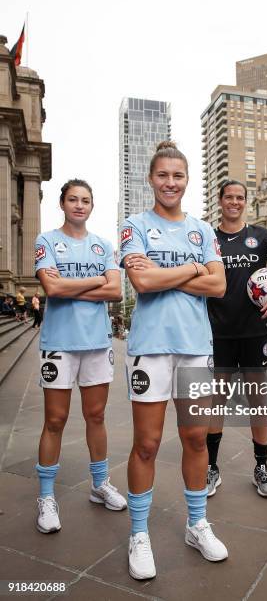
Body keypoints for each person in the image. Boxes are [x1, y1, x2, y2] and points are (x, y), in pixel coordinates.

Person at [121, 141, 228, 580]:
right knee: (146, 444)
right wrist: (194, 271)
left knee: (198, 442)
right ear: (151, 179)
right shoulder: (134, 225)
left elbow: (219, 286)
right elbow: (142, 282)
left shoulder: (203, 230)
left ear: (187, 180)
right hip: (150, 347)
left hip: (195, 347)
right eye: (163, 175)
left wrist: (176, 276)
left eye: (178, 176)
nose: (170, 182)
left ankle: (197, 523)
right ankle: (138, 533)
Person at [34, 178, 126, 535]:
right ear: (62, 203)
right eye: (73, 199)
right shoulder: (46, 241)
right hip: (58, 343)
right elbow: (51, 288)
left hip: (97, 343)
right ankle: (45, 497)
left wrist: (70, 287)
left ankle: (99, 484)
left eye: (85, 200)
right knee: (55, 420)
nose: (79, 205)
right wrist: (94, 283)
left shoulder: (103, 245)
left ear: (91, 205)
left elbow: (116, 290)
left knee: (96, 415)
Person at [206, 179, 267, 498]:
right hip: (218, 330)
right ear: (220, 199)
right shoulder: (209, 239)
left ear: (245, 202)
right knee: (218, 401)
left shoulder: (262, 236)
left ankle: (261, 466)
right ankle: (212, 467)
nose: (235, 202)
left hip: (256, 330)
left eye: (240, 198)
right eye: (229, 197)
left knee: (258, 399)